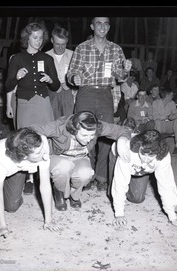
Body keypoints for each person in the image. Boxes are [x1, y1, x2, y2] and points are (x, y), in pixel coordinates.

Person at [66, 16, 132, 192]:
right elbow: (71, 73)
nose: (102, 27)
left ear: (109, 27)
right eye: (98, 23)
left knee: (107, 135)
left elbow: (120, 77)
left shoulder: (116, 49)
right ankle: (86, 175)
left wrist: (125, 71)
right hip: (85, 93)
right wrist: (74, 78)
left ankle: (102, 177)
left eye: (105, 24)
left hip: (105, 94)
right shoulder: (82, 48)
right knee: (84, 134)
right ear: (92, 26)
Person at [29, 111, 131, 211]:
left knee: (86, 173)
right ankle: (59, 191)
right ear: (74, 129)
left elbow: (122, 131)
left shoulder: (95, 126)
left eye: (92, 135)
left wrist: (122, 141)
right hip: (59, 157)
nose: (88, 139)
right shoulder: (59, 127)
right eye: (84, 135)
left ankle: (74, 195)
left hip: (80, 157)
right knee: (64, 167)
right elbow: (30, 130)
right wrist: (42, 140)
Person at [0, 127, 61, 242]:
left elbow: (45, 185)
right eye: (39, 153)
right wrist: (2, 227)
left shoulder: (41, 143)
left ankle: (9, 185)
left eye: (42, 149)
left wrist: (49, 221)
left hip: (18, 165)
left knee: (12, 207)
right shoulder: (2, 160)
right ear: (25, 156)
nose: (45, 154)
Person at [5, 22, 60, 195]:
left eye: (40, 38)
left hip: (43, 102)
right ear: (26, 38)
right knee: (26, 139)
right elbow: (7, 85)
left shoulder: (47, 59)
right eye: (34, 37)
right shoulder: (17, 58)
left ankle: (46, 176)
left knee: (44, 138)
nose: (38, 41)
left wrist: (50, 80)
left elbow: (56, 85)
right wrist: (16, 77)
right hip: (25, 103)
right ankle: (29, 178)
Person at [108, 129, 177, 228]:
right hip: (117, 155)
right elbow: (120, 182)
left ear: (159, 152)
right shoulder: (127, 151)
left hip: (140, 168)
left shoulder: (163, 156)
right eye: (143, 153)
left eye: (151, 155)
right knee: (112, 192)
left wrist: (172, 216)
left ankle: (134, 178)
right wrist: (119, 214)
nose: (146, 159)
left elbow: (166, 184)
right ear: (139, 147)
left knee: (137, 198)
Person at [45, 26, 76, 120]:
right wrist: (52, 85)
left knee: (69, 121)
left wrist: (71, 84)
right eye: (57, 44)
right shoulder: (45, 56)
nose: (60, 47)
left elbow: (79, 74)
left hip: (68, 92)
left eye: (63, 44)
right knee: (53, 121)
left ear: (67, 41)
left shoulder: (73, 55)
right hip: (51, 93)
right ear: (51, 40)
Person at [152, 88, 177, 154]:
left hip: (169, 124)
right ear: (167, 95)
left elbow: (175, 113)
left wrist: (174, 116)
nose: (172, 97)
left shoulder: (172, 103)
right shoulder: (156, 103)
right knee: (157, 121)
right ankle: (159, 145)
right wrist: (166, 117)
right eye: (171, 95)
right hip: (160, 125)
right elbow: (154, 116)